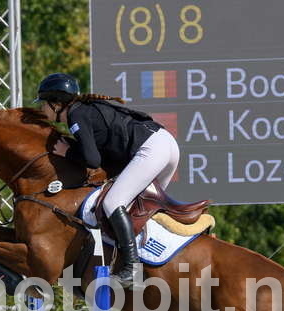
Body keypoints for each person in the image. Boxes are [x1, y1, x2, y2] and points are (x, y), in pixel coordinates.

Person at [34, 72, 180, 288]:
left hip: (152, 149)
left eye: (44, 103)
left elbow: (92, 160)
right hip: (166, 144)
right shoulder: (85, 110)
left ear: (56, 104)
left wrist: (67, 152)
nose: (41, 108)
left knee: (112, 203)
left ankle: (132, 268)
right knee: (139, 207)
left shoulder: (76, 114)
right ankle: (157, 258)